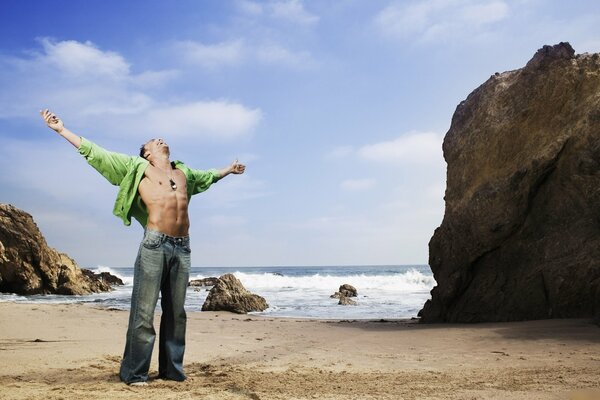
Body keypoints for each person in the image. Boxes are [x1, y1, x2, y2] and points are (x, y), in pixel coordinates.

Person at [40, 109, 245, 386]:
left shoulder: (184, 173)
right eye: (154, 141)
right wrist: (62, 130)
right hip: (154, 244)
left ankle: (171, 371)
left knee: (177, 313)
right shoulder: (137, 169)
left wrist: (229, 171)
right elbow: (98, 154)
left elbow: (208, 177)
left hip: (182, 247)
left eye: (161, 139)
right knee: (144, 312)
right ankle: (134, 373)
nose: (160, 140)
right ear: (146, 153)